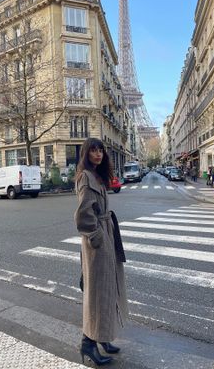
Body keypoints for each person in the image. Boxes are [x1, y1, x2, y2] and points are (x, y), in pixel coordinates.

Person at [74, 138, 128, 366]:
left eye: (101, 150)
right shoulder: (86, 177)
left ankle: (103, 337)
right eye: (93, 150)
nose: (98, 154)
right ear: (86, 153)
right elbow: (83, 216)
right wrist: (98, 238)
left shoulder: (96, 175)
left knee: (108, 289)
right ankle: (88, 343)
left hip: (106, 235)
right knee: (97, 293)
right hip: (98, 242)